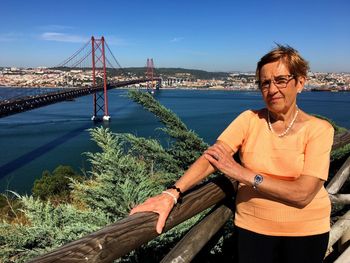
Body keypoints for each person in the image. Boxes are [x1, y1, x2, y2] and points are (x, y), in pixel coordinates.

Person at [130, 45, 334, 263]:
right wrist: (172, 193)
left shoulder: (319, 129)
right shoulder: (248, 119)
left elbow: (302, 194)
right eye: (265, 83)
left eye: (280, 80)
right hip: (252, 228)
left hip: (305, 231)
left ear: (300, 82)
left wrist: (241, 173)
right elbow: (213, 156)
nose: (272, 89)